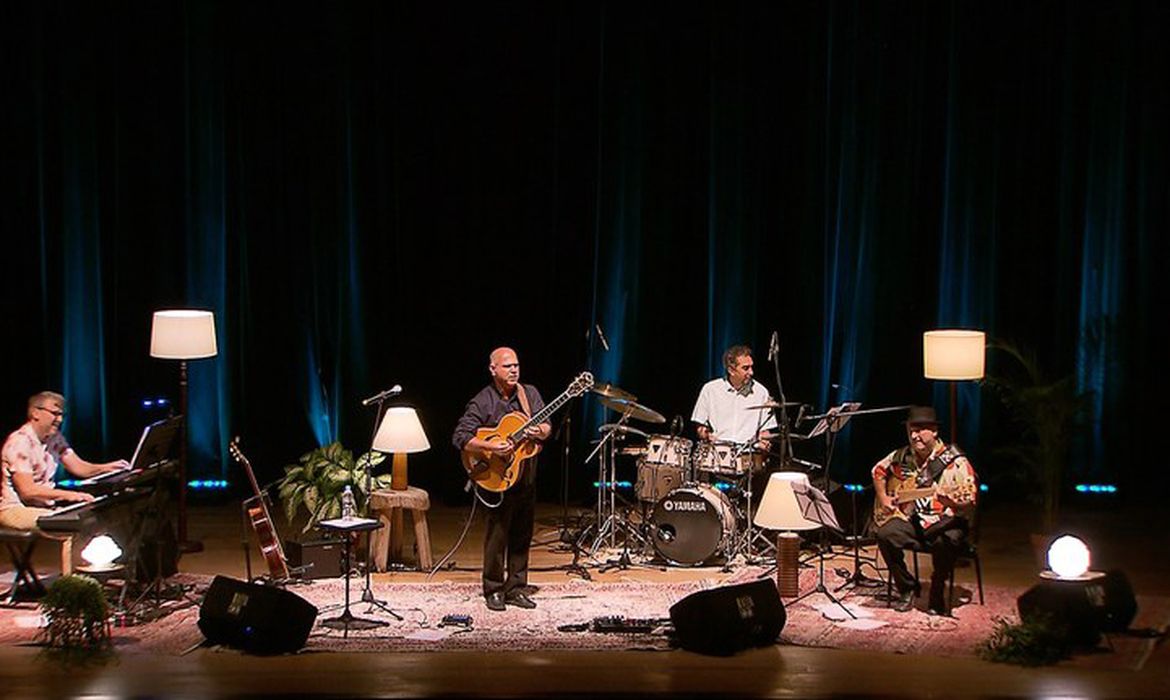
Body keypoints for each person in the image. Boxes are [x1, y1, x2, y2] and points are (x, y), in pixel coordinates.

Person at [452, 347, 550, 612]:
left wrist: (539, 430)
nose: (514, 370)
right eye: (507, 366)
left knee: (522, 535)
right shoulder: (482, 401)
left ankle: (516, 587)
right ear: (493, 369)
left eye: (516, 365)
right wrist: (492, 447)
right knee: (497, 536)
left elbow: (547, 427)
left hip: (525, 475)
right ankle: (493, 588)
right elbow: (460, 437)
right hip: (497, 478)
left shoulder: (529, 395)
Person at [1, 391, 128, 573]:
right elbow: (28, 490)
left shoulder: (55, 438)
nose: (59, 419)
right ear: (35, 413)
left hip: (43, 508)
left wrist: (107, 467)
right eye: (55, 413)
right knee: (72, 527)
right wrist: (71, 495)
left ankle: (102, 576)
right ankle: (73, 586)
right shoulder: (19, 442)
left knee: (97, 518)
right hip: (13, 509)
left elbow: (79, 467)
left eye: (62, 415)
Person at [871, 405, 978, 615]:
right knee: (884, 534)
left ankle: (937, 590)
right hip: (915, 521)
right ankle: (907, 588)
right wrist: (884, 498)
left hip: (947, 521)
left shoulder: (955, 461)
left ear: (934, 431)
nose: (914, 435)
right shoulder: (902, 456)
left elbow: (969, 498)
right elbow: (878, 470)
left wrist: (951, 502)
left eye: (920, 430)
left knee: (945, 541)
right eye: (911, 429)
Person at [690, 344, 777, 448]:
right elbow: (700, 426)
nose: (751, 372)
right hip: (717, 453)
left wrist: (764, 442)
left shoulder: (761, 392)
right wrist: (706, 435)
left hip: (748, 455)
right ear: (731, 370)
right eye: (746, 368)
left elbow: (765, 430)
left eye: (751, 367)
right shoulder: (710, 389)